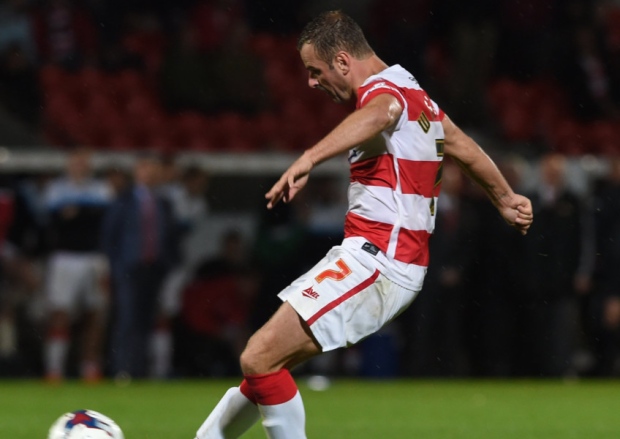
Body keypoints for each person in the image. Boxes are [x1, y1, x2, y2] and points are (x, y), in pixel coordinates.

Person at [193, 11, 533, 439]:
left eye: (315, 71)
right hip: (378, 259)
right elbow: (460, 144)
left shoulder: (386, 94)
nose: (312, 83)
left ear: (341, 61)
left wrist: (309, 158)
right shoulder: (413, 89)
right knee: (265, 368)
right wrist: (504, 197)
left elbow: (379, 114)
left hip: (380, 261)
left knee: (258, 357)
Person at [101, 152, 178, 379]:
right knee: (127, 319)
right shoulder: (123, 200)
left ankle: (141, 369)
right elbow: (110, 236)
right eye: (145, 169)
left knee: (147, 320)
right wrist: (115, 267)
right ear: (137, 173)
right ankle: (122, 369)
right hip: (128, 269)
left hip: (154, 269)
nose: (149, 174)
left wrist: (168, 264)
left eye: (153, 170)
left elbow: (170, 237)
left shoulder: (163, 202)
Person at [42, 148, 112, 382]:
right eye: (76, 161)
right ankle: (55, 367)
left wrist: (76, 214)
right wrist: (82, 215)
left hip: (93, 257)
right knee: (60, 311)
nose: (80, 166)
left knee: (94, 312)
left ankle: (89, 366)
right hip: (65, 257)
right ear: (69, 164)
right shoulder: (56, 189)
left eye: (84, 161)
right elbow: (53, 221)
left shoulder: (100, 188)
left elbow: (100, 219)